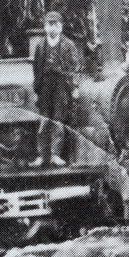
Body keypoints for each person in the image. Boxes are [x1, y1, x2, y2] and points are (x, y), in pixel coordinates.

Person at [31, 10, 82, 168]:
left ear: (61, 27)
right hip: (45, 84)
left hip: (61, 84)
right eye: (49, 25)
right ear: (45, 27)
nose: (52, 28)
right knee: (44, 119)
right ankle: (41, 155)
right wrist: (36, 90)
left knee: (58, 120)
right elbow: (36, 69)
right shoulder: (40, 46)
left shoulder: (68, 45)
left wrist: (74, 87)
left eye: (56, 25)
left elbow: (75, 68)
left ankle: (55, 155)